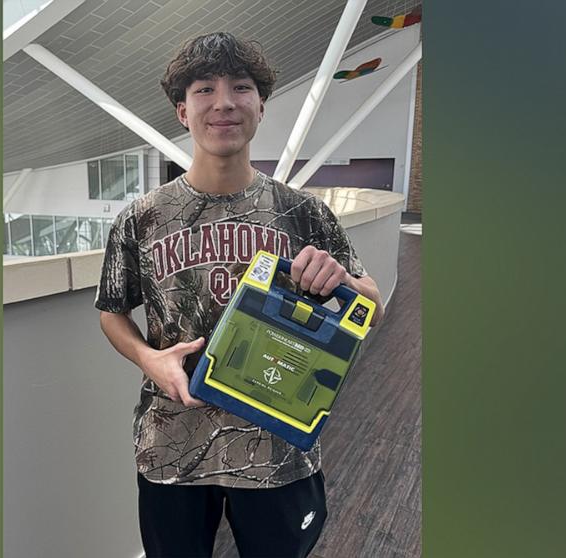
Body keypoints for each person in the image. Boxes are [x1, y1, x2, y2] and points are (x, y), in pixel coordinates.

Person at [95, 31, 384, 558]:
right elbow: (112, 312)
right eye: (204, 89)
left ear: (260, 106)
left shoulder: (306, 213)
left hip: (278, 449)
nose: (223, 102)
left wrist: (339, 280)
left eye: (241, 87)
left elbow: (372, 305)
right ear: (182, 111)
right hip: (172, 445)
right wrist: (151, 359)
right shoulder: (140, 218)